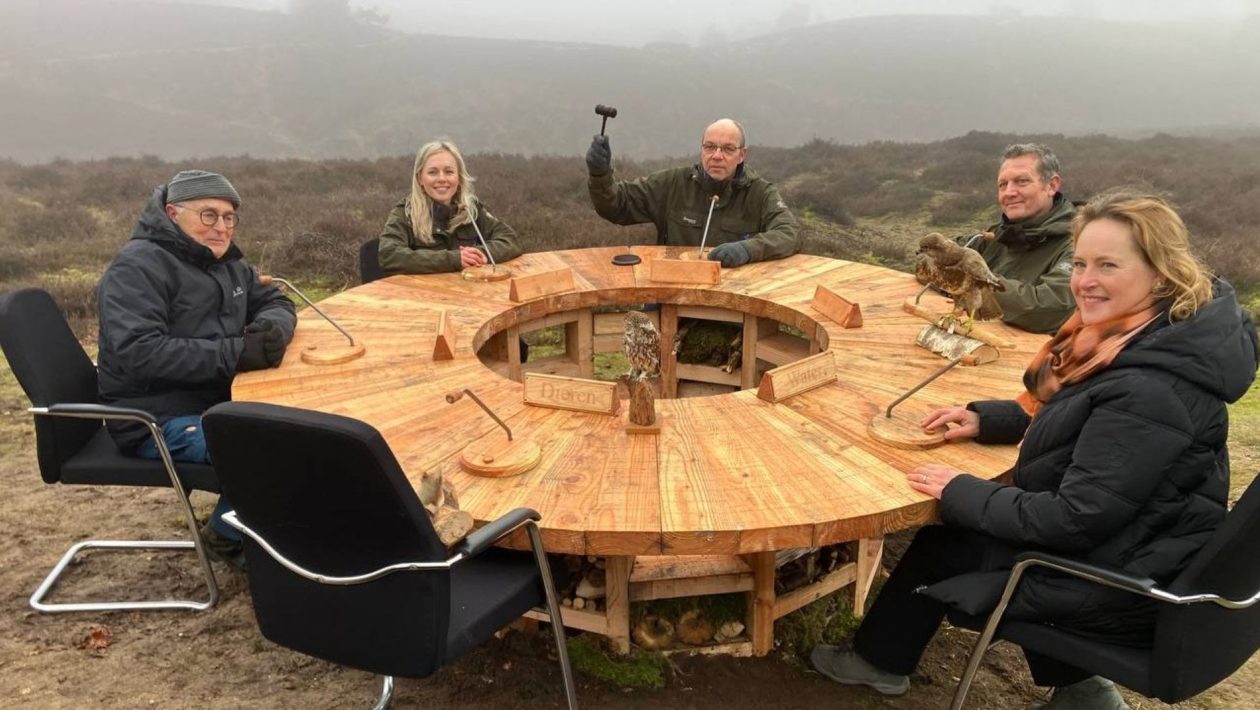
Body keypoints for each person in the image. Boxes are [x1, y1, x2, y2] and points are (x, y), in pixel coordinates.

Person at [813, 191, 1258, 709]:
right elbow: (1084, 427)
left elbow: (1072, 519)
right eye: (1082, 263)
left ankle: (876, 662)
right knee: (982, 522)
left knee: (943, 544)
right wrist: (990, 418)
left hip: (1122, 581)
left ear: (1160, 274)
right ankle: (1084, 691)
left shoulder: (1151, 389)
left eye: (1108, 265)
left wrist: (961, 491)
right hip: (1138, 547)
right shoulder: (1141, 339)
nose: (1085, 280)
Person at [97, 169, 296, 564]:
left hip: (219, 397)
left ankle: (263, 523)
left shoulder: (224, 262)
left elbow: (274, 300)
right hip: (153, 416)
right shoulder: (137, 268)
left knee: (316, 427)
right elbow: (140, 352)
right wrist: (238, 353)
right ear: (173, 213)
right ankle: (226, 535)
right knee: (284, 451)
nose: (221, 227)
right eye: (209, 215)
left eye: (228, 217)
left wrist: (272, 330)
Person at [586, 118, 799, 267]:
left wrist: (747, 249)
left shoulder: (760, 193)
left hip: (732, 302)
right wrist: (600, 174)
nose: (716, 155)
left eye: (727, 149)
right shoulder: (672, 184)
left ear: (742, 155)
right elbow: (617, 205)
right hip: (672, 296)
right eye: (710, 147)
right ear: (701, 149)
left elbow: (789, 233)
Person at [948, 143, 1077, 333]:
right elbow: (936, 259)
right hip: (979, 343)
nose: (1009, 192)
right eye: (1003, 185)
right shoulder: (997, 235)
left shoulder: (1079, 243)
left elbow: (1047, 309)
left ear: (1052, 185)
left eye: (1022, 181)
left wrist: (970, 282)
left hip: (1038, 358)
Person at [378, 140, 522, 275]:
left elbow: (510, 239)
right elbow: (389, 255)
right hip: (423, 297)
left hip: (470, 293)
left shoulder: (471, 210)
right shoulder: (404, 213)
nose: (442, 179)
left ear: (458, 177)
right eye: (432, 172)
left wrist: (482, 254)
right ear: (420, 178)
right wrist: (454, 259)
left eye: (449, 172)